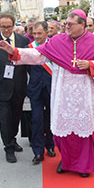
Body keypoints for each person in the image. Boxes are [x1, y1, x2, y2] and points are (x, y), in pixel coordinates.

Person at [0, 10, 94, 177]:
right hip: (63, 92)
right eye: (65, 23)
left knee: (85, 132)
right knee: (64, 131)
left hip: (85, 94)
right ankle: (66, 161)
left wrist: (90, 64)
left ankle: (84, 165)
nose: (66, 27)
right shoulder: (58, 40)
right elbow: (38, 55)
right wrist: (15, 51)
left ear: (82, 24)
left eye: (70, 24)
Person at [0, 14, 29, 163]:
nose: (6, 30)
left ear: (14, 26)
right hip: (0, 88)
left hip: (19, 87)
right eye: (3, 27)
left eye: (9, 26)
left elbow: (29, 63)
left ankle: (12, 139)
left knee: (15, 117)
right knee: (4, 119)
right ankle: (8, 147)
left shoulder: (23, 41)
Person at [26, 21, 56, 164]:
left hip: (52, 87)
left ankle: (50, 145)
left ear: (46, 32)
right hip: (35, 88)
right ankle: (38, 151)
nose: (36, 36)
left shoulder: (55, 46)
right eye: (34, 33)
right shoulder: (30, 48)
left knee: (51, 117)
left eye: (39, 33)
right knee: (37, 119)